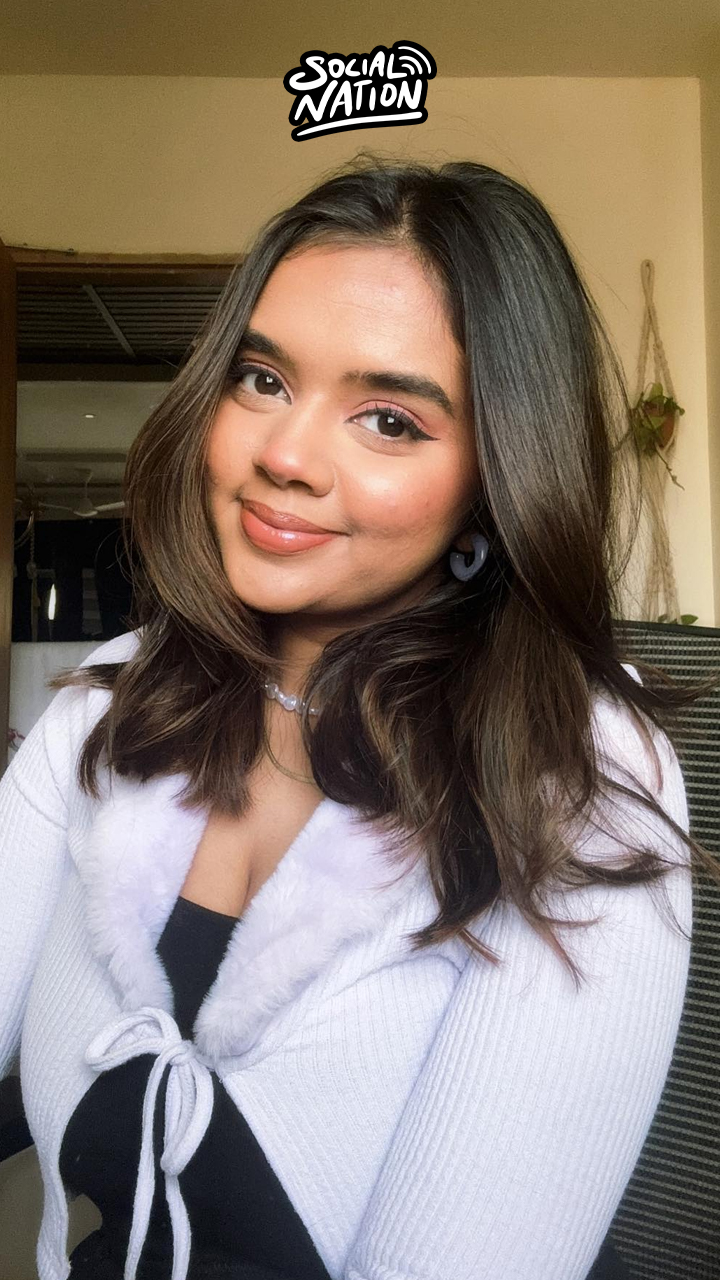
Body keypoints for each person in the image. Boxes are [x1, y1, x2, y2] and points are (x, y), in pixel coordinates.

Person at [2, 151, 719, 1280]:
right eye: (262, 379)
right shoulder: (113, 701)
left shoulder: (578, 772)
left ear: (495, 476)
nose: (284, 456)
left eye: (388, 418)